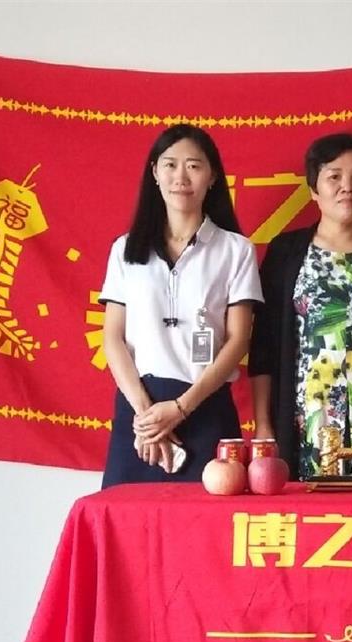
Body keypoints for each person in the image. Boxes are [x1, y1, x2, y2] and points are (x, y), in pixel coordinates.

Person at [98, 124, 262, 487]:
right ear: (155, 173)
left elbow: (238, 340)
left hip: (205, 405)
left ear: (212, 176)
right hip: (140, 408)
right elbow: (112, 338)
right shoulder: (125, 250)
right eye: (170, 165)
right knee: (129, 514)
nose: (181, 177)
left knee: (208, 517)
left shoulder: (236, 250)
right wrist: (147, 418)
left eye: (194, 166)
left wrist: (180, 408)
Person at [249, 133, 352, 478]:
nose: (347, 187)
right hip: (308, 413)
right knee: (309, 506)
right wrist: (264, 424)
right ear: (314, 188)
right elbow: (263, 345)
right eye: (334, 176)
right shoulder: (286, 253)